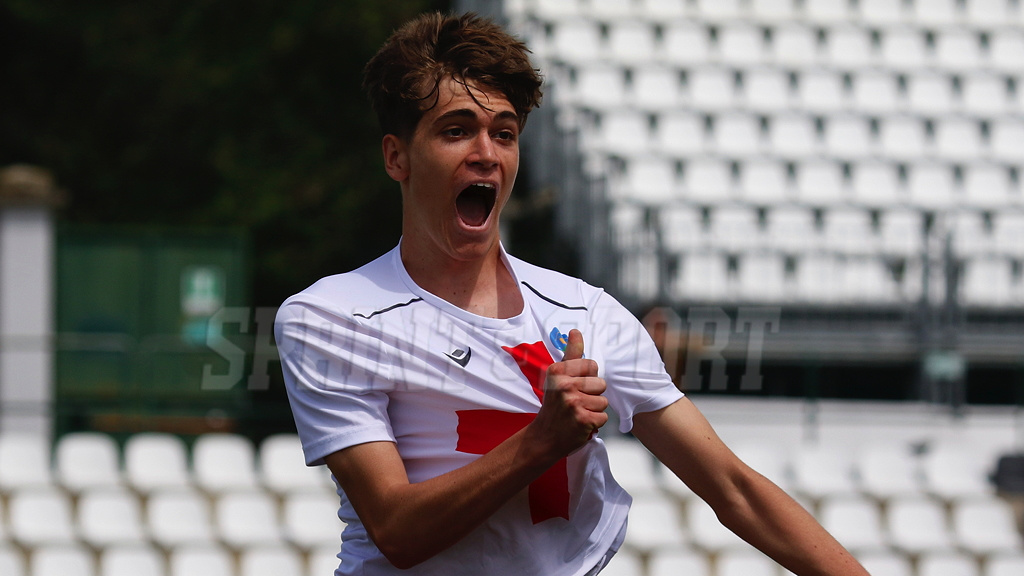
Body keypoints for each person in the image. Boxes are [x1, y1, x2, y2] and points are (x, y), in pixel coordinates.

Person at [275, 11, 869, 576]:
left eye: (504, 134)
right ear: (396, 156)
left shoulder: (588, 311)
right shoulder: (331, 317)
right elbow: (397, 531)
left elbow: (734, 490)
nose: (485, 153)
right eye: (456, 131)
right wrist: (542, 441)